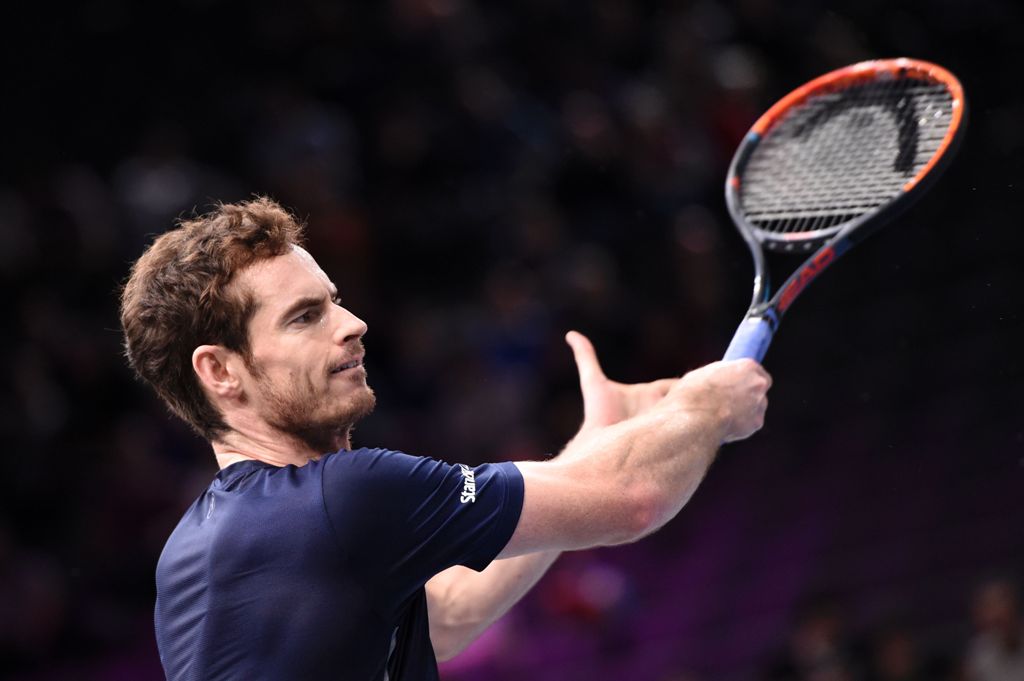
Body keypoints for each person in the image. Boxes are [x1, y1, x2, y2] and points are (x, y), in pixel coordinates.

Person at [119, 197, 771, 680]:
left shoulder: (194, 555)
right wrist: (714, 401)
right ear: (220, 371)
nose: (352, 323)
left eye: (335, 299)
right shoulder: (343, 499)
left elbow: (447, 615)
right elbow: (632, 496)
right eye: (306, 316)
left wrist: (597, 435)